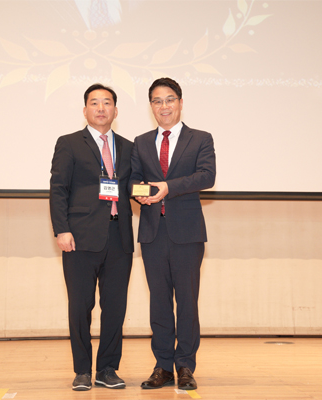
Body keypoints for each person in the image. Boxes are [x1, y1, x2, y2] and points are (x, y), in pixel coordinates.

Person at [129, 77, 216, 390]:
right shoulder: (140, 142)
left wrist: (168, 187)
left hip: (187, 233)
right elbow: (133, 180)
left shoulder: (200, 138)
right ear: (151, 106)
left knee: (187, 302)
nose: (163, 106)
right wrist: (140, 194)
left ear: (180, 102)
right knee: (159, 303)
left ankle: (185, 366)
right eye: (157, 100)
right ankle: (163, 366)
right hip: (153, 233)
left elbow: (207, 176)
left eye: (169, 99)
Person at [50, 83, 134, 391]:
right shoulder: (69, 143)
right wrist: (61, 229)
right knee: (80, 306)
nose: (101, 108)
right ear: (85, 110)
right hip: (80, 237)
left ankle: (107, 369)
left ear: (115, 110)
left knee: (115, 307)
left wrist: (151, 192)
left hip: (119, 236)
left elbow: (132, 187)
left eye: (107, 102)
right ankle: (82, 370)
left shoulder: (129, 147)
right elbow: (58, 188)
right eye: (94, 103)